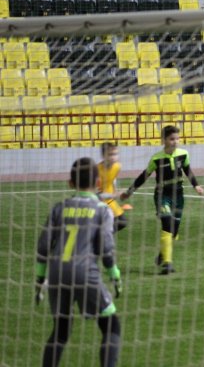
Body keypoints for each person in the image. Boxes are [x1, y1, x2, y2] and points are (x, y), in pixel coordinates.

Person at [35, 157, 122, 367]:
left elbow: (44, 244)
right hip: (84, 272)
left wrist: (40, 279)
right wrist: (114, 274)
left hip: (56, 274)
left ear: (70, 183)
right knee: (112, 327)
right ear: (98, 182)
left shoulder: (59, 208)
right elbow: (105, 248)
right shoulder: (102, 210)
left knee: (61, 330)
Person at [121, 125, 204, 274]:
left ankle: (162, 254)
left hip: (178, 196)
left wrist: (196, 186)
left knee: (174, 231)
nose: (175, 141)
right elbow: (144, 176)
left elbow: (188, 170)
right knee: (167, 223)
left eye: (177, 138)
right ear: (164, 140)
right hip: (162, 196)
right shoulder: (157, 158)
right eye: (172, 139)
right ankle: (167, 263)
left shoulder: (183, 154)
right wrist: (130, 191)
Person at [97, 142, 128, 234]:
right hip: (97, 202)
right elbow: (95, 194)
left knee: (122, 222)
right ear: (103, 156)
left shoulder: (117, 166)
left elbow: (113, 178)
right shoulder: (96, 171)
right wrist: (114, 195)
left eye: (115, 154)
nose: (113, 157)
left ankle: (102, 235)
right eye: (110, 154)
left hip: (109, 200)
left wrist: (115, 191)